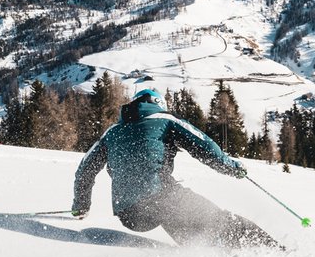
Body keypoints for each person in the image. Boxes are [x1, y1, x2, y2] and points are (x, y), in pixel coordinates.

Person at [72, 87, 281, 248]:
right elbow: (204, 145)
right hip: (159, 198)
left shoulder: (111, 132)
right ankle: (273, 251)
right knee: (219, 220)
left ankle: (215, 256)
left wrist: (82, 205)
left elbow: (85, 169)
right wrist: (231, 167)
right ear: (158, 104)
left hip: (129, 214)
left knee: (191, 232)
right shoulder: (165, 120)